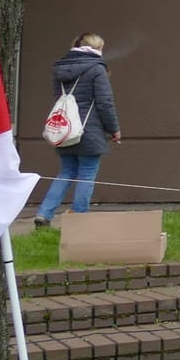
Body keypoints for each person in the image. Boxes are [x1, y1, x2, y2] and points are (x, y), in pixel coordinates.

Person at [35, 33, 122, 228]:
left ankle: (44, 213)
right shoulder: (97, 69)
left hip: (65, 128)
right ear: (98, 49)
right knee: (87, 173)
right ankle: (79, 219)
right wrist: (114, 129)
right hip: (89, 131)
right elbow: (105, 103)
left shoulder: (60, 68)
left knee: (66, 171)